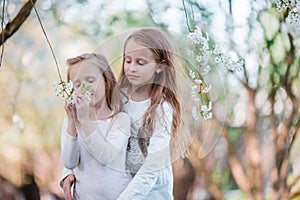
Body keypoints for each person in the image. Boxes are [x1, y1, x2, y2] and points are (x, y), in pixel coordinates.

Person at [61, 28, 183, 199]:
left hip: (149, 193)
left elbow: (151, 167)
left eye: (140, 63)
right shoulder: (117, 95)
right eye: (128, 60)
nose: (132, 68)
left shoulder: (161, 109)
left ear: (160, 67)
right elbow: (86, 133)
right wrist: (67, 170)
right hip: (118, 188)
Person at [60, 53, 131, 200]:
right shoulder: (72, 122)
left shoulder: (120, 120)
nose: (84, 88)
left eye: (91, 80)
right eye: (77, 84)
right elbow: (68, 162)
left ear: (106, 81)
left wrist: (86, 120)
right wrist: (73, 122)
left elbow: (105, 156)